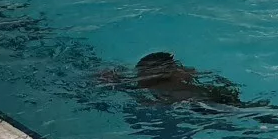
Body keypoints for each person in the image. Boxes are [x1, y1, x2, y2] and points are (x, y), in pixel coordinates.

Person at [100, 53, 243, 107]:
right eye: (179, 66)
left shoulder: (150, 90)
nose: (188, 68)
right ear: (171, 73)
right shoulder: (183, 93)